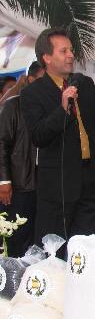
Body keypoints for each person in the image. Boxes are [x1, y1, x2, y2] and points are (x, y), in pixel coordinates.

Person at [20, 28, 95, 255]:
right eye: (63, 51)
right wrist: (62, 107)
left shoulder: (84, 84)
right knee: (54, 252)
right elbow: (39, 135)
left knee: (83, 251)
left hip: (88, 180)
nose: (71, 55)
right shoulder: (33, 93)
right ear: (46, 57)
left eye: (71, 50)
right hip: (57, 185)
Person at [0, 61, 44, 257]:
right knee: (15, 240)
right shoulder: (12, 106)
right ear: (29, 80)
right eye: (42, 81)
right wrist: (4, 181)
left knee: (36, 241)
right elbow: (1, 144)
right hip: (17, 185)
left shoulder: (52, 108)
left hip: (43, 185)